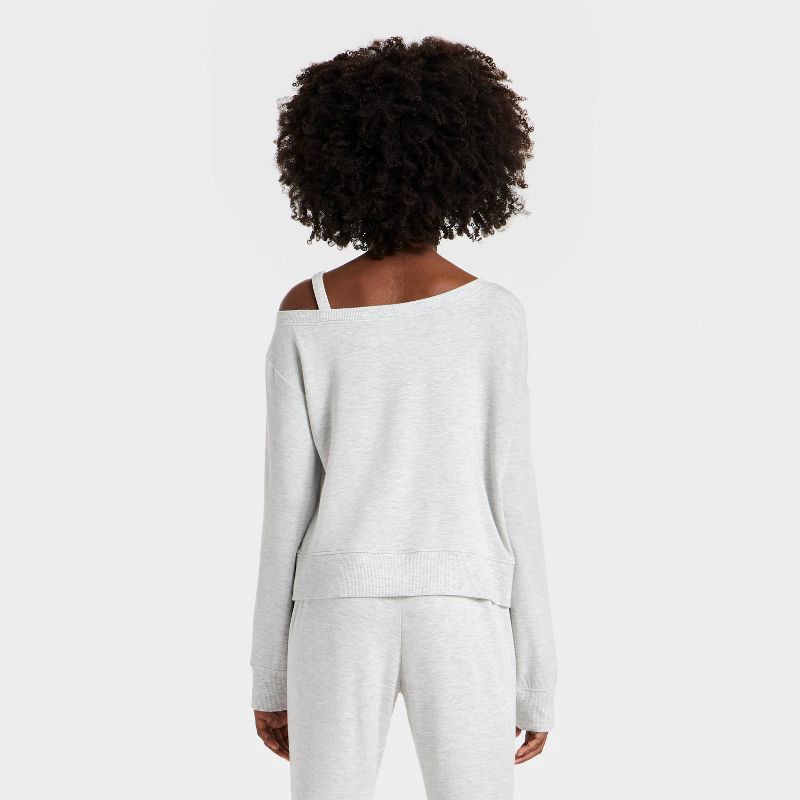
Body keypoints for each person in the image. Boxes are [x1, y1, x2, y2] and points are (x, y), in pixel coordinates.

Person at [250, 35, 557, 800]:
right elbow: (513, 497)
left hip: (336, 603)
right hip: (463, 599)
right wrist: (536, 679)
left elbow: (285, 509)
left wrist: (271, 677)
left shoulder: (306, 312)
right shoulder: (494, 315)